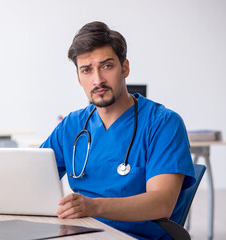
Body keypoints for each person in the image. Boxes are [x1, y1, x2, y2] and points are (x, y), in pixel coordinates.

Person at [40, 21, 196, 240]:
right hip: (81, 234)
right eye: (87, 70)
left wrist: (93, 207)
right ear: (78, 77)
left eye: (107, 66)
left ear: (125, 68)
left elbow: (162, 203)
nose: (98, 80)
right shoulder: (72, 125)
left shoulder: (163, 123)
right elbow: (34, 179)